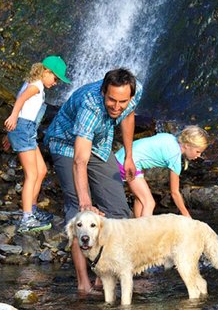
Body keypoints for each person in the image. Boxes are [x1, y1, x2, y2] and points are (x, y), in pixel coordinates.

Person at [44, 67, 142, 294]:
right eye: (111, 100)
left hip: (100, 143)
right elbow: (80, 160)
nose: (116, 107)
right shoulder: (90, 106)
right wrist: (86, 202)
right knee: (79, 212)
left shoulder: (135, 92)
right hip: (66, 143)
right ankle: (83, 284)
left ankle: (102, 277)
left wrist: (128, 156)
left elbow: (128, 116)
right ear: (103, 91)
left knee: (119, 210)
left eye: (122, 101)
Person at [4, 55, 71, 233]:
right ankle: (27, 218)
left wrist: (9, 133)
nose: (56, 83)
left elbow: (24, 109)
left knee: (41, 171)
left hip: (26, 129)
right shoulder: (35, 87)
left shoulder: (36, 85)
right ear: (46, 72)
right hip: (24, 129)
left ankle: (32, 210)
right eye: (55, 78)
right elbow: (20, 102)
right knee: (32, 174)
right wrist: (12, 119)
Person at [115, 125, 209, 218]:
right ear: (187, 145)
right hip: (129, 164)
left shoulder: (169, 137)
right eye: (198, 151)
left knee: (140, 199)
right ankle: (145, 232)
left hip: (120, 156)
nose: (199, 155)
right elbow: (174, 192)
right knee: (149, 202)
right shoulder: (174, 158)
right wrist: (186, 214)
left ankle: (137, 226)